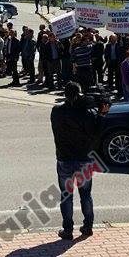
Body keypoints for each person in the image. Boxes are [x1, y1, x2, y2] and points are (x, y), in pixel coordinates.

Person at [49, 82, 105, 240]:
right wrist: (100, 114)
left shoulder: (57, 111)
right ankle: (88, 226)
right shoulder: (86, 113)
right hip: (84, 159)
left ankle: (67, 229)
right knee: (85, 195)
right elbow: (96, 133)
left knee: (66, 195)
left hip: (64, 159)